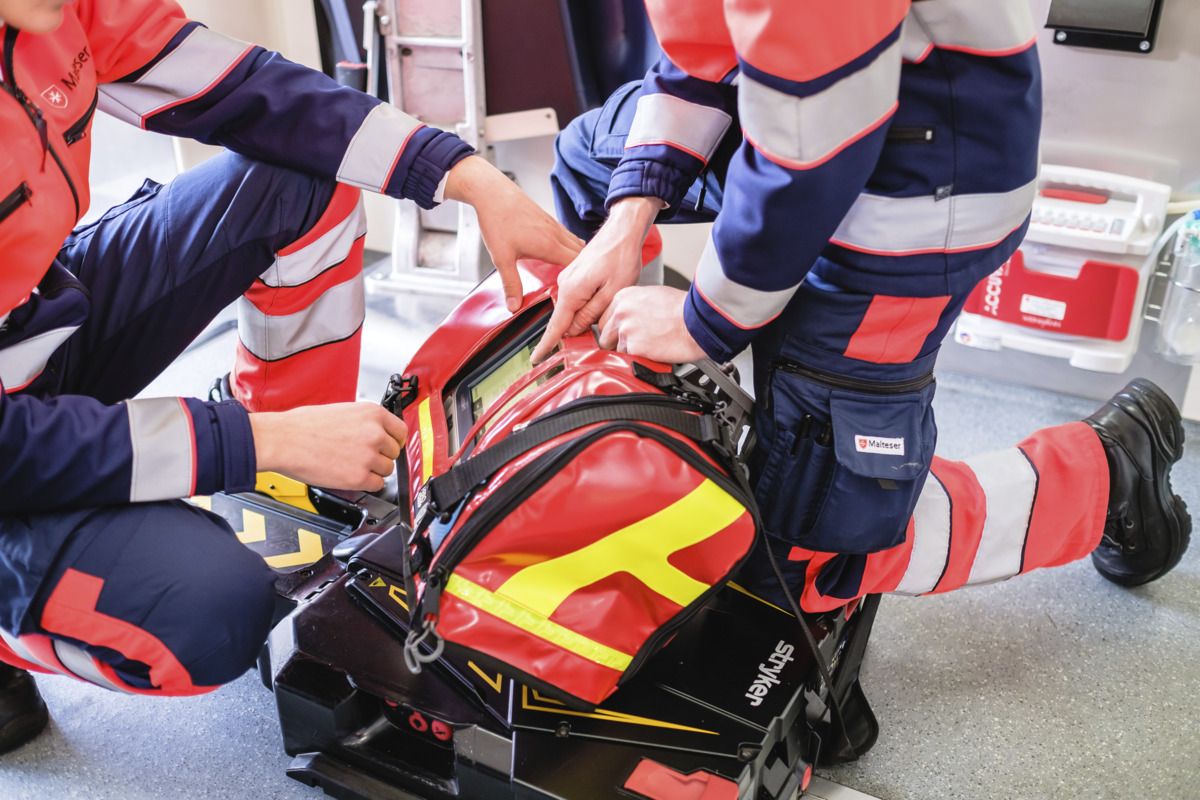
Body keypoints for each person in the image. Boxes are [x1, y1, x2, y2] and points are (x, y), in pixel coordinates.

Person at [0, 0, 581, 752]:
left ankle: (284, 485)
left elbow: (250, 90)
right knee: (211, 613)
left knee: (305, 181)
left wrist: (465, 176)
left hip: (33, 319)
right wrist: (256, 438)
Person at [539, 0, 1191, 620]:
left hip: (916, 203)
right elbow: (704, 49)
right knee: (593, 156)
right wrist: (628, 219)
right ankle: (638, 398)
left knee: (807, 559)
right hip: (818, 119)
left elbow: (813, 150)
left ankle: (1108, 470)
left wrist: (700, 321)